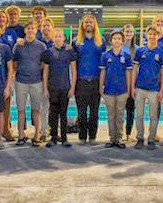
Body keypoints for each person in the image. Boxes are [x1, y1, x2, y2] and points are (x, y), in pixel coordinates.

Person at [73, 14, 107, 145]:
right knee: (81, 112)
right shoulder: (76, 41)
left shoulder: (101, 41)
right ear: (82, 24)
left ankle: (92, 137)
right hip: (81, 82)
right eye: (86, 22)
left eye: (91, 22)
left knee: (94, 112)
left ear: (95, 25)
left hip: (96, 81)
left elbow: (104, 64)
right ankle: (82, 137)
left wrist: (103, 83)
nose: (88, 24)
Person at [132, 25, 163, 150]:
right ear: (147, 36)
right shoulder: (140, 51)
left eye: (154, 34)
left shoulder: (162, 53)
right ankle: (140, 138)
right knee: (139, 115)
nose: (152, 36)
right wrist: (132, 87)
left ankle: (151, 139)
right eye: (150, 34)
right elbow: (134, 70)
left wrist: (162, 90)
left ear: (158, 36)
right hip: (140, 88)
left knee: (153, 116)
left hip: (154, 90)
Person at [12, 21, 47, 146]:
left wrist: (36, 71)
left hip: (36, 81)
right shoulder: (18, 45)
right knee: (21, 109)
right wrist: (21, 72)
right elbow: (14, 63)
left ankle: (36, 136)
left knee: (36, 110)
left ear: (36, 30)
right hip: (21, 81)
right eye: (29, 28)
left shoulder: (41, 46)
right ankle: (21, 136)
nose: (31, 30)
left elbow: (44, 63)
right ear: (25, 30)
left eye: (33, 28)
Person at [42, 28, 77, 148]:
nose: (57, 38)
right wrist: (45, 88)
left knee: (63, 113)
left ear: (64, 38)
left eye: (60, 36)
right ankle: (53, 137)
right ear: (53, 38)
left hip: (65, 87)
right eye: (55, 36)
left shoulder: (69, 51)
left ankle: (64, 138)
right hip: (52, 87)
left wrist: (72, 87)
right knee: (53, 113)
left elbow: (73, 70)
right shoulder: (48, 52)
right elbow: (45, 71)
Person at [99, 31, 133, 149]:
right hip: (108, 90)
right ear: (111, 41)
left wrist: (128, 90)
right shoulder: (105, 55)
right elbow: (103, 72)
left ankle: (118, 138)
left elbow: (128, 74)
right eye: (114, 38)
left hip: (122, 90)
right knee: (110, 115)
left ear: (122, 41)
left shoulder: (126, 56)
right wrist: (100, 87)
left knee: (119, 116)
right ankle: (111, 139)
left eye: (119, 38)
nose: (117, 40)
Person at [0, 9, 17, 141]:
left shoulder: (12, 33)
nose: (1, 19)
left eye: (3, 17)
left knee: (6, 103)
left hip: (7, 72)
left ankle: (6, 129)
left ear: (6, 19)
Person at [122, 23, 139, 141]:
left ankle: (128, 134)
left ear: (133, 34)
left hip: (133, 83)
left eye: (130, 32)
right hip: (120, 83)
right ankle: (118, 133)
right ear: (123, 33)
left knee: (130, 110)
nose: (128, 33)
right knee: (118, 111)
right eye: (126, 31)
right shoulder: (118, 47)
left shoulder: (137, 49)